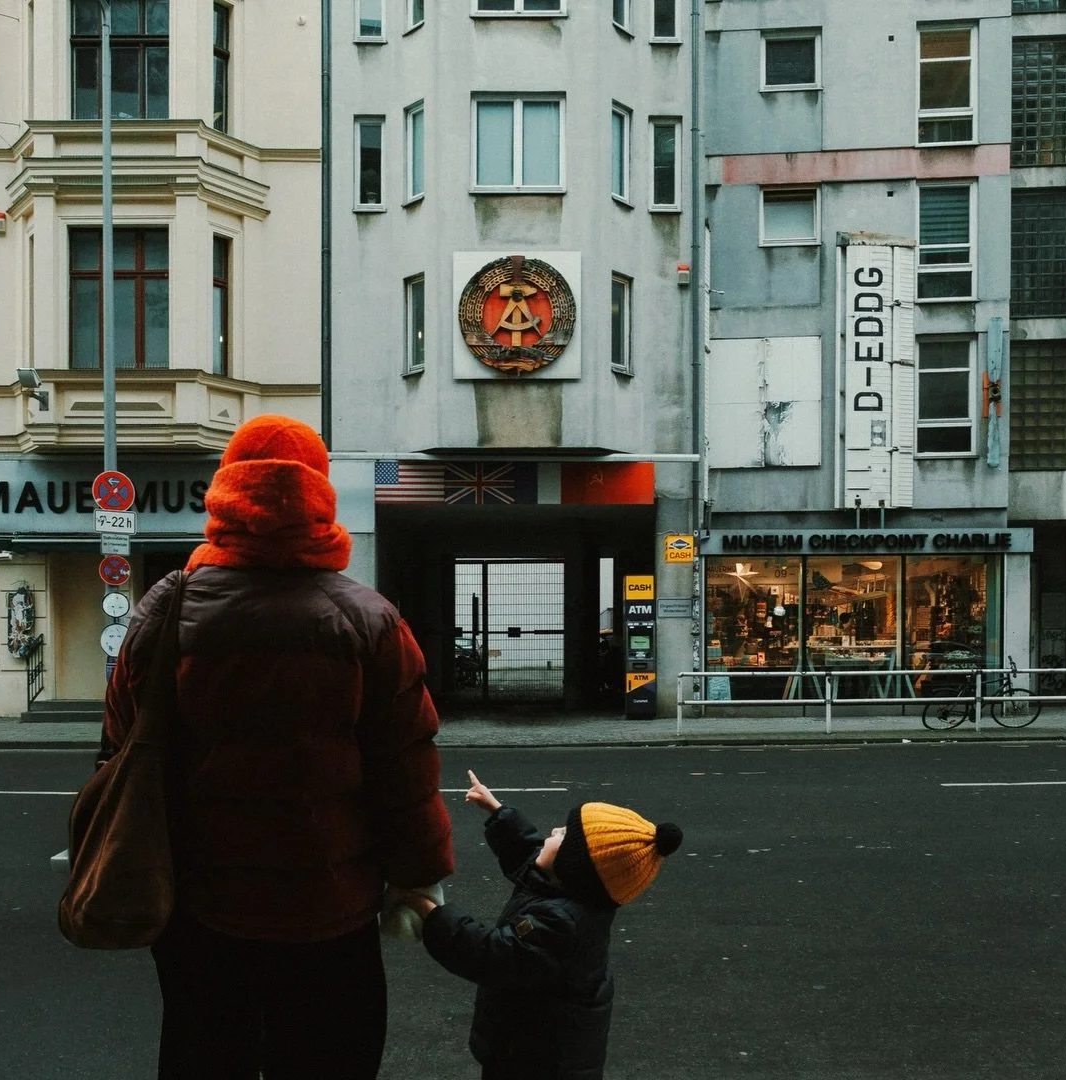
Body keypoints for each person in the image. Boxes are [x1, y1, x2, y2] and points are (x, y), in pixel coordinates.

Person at [99, 414, 455, 1080]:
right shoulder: (368, 621)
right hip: (331, 912)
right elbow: (406, 770)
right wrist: (415, 877)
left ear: (224, 494)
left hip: (201, 910)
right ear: (319, 493)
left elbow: (119, 747)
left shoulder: (167, 610)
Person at [394, 770, 682, 1080]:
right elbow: (526, 851)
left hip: (536, 1064)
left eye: (563, 835)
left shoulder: (562, 924)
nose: (556, 829)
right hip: (531, 1050)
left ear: (572, 866)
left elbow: (491, 955)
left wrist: (431, 912)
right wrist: (496, 809)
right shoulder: (573, 891)